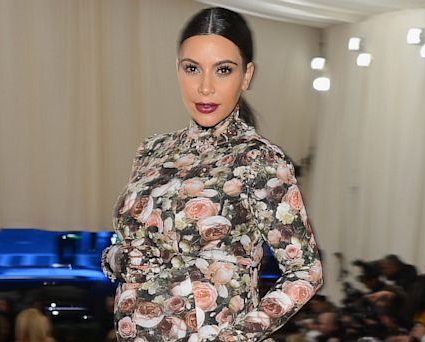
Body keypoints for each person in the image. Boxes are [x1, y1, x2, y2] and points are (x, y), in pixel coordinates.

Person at [100, 6, 324, 342]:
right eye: (193, 68)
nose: (205, 87)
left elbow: (306, 272)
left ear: (246, 75)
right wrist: (116, 257)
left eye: (223, 70)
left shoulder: (259, 160)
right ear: (178, 70)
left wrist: (235, 338)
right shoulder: (152, 150)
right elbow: (132, 243)